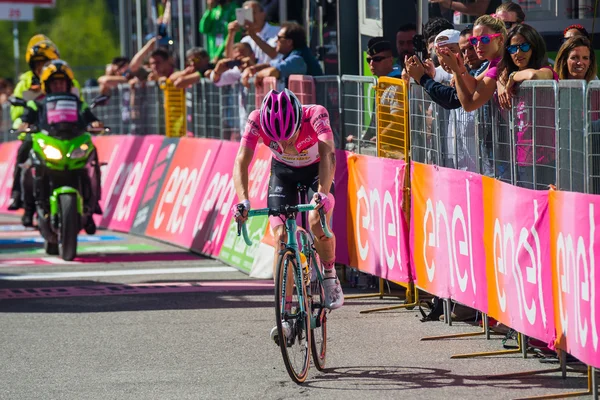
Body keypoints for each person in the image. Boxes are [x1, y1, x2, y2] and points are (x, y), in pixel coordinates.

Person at [232, 89, 342, 344]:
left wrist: (323, 194)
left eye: (290, 137)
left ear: (297, 123)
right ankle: (284, 314)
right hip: (283, 173)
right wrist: (243, 200)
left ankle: (328, 275)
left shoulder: (315, 115)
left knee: (317, 222)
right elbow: (241, 161)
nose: (285, 145)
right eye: (276, 140)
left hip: (317, 170)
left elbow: (328, 154)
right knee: (280, 236)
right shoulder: (257, 119)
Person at [19, 60, 104, 232]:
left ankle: (92, 205)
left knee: (92, 160)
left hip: (73, 143)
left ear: (68, 84)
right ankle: (29, 208)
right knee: (28, 167)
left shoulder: (78, 104)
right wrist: (25, 126)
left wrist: (95, 123)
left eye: (62, 82)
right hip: (49, 142)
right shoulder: (36, 103)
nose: (58, 86)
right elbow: (24, 121)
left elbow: (91, 118)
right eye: (54, 83)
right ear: (47, 85)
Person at [495, 24, 558, 189]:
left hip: (546, 160)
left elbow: (534, 75)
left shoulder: (547, 71)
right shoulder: (507, 80)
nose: (518, 53)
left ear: (534, 48)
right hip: (519, 159)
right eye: (513, 48)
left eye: (524, 46)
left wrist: (513, 76)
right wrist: (502, 81)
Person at [8, 40, 62, 213]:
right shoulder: (24, 83)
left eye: (45, 62)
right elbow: (18, 114)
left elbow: (79, 103)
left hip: (63, 131)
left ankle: (92, 198)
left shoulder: (65, 79)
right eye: (37, 63)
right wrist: (23, 125)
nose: (41, 66)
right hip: (37, 132)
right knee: (24, 150)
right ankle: (17, 194)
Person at [241, 22, 322, 88]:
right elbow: (271, 64)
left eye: (279, 38)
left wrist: (257, 76)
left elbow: (273, 71)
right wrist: (252, 69)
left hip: (315, 107)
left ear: (289, 42)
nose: (276, 41)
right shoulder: (291, 55)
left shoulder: (298, 58)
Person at [225, 0, 280, 65]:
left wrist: (252, 35)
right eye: (247, 14)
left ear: (263, 14)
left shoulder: (278, 31)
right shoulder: (246, 39)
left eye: (253, 13)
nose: (251, 17)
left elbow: (274, 55)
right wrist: (231, 34)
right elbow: (230, 59)